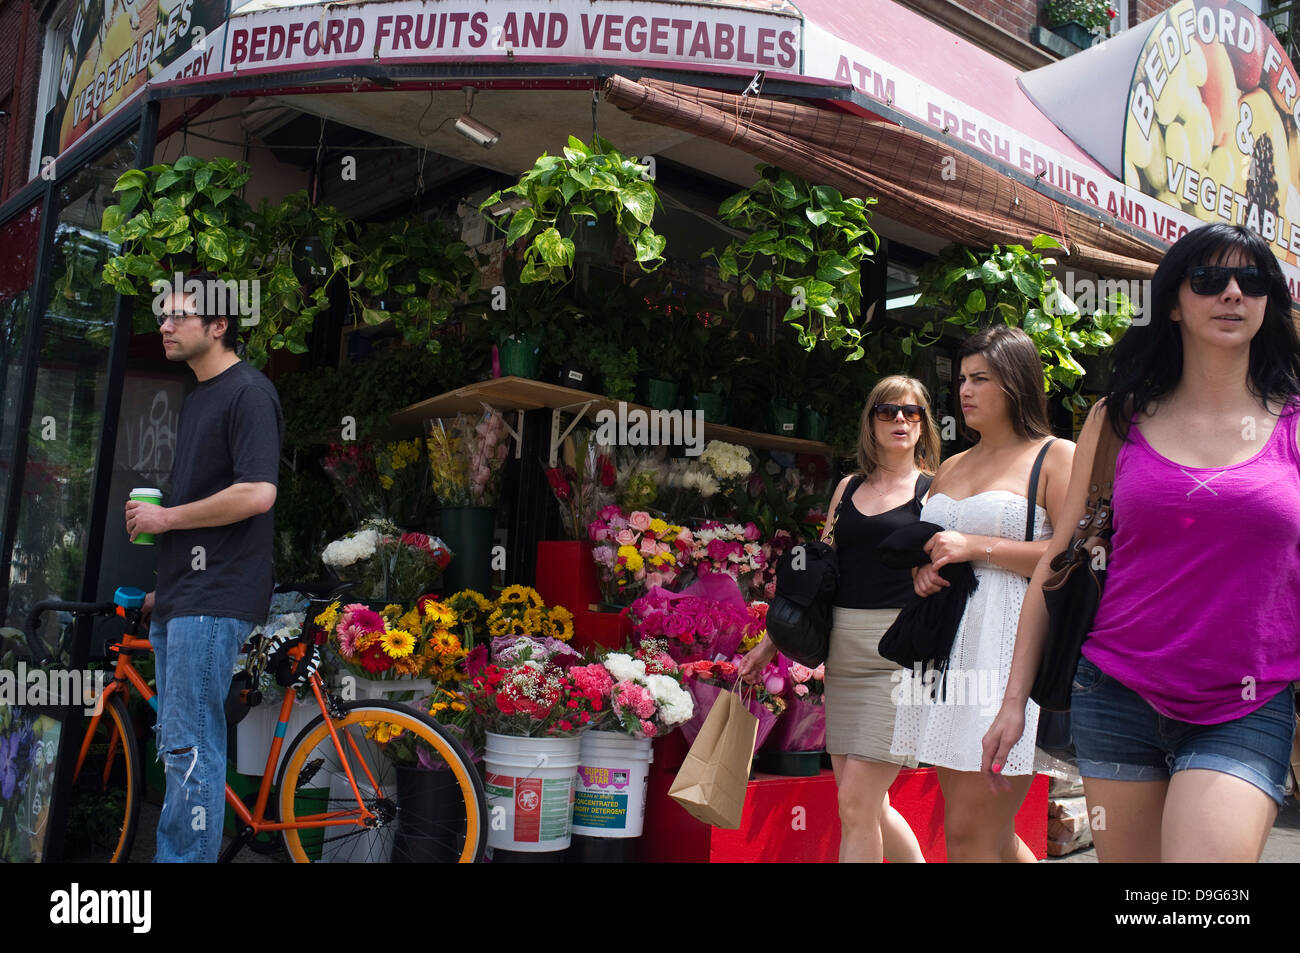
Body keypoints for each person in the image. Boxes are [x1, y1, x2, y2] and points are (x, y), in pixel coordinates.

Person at [983, 224, 1300, 862]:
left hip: (1248, 699)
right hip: (1115, 690)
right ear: (1175, 302)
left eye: (1252, 280)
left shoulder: (1294, 423)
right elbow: (1058, 555)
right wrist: (1013, 702)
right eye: (1209, 279)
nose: (1232, 293)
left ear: (1269, 302)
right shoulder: (1118, 417)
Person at [889, 325, 1074, 862]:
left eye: (980, 379)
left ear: (1016, 383)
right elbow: (935, 552)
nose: (964, 391)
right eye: (961, 379)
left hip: (1010, 649)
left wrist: (977, 546)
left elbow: (1070, 558)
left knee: (971, 832)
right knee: (981, 830)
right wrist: (924, 574)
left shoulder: (1055, 455)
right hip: (946, 651)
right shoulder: (949, 465)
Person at [741, 375, 940, 862]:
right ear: (870, 422)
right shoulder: (848, 488)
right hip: (844, 656)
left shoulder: (936, 491)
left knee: (855, 804)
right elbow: (818, 575)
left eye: (911, 412)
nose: (899, 419)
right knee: (869, 804)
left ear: (924, 424)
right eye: (887, 410)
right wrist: (770, 644)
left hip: (901, 655)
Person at [124, 272, 284, 863]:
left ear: (219, 325)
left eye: (177, 316)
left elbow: (257, 493)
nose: (164, 326)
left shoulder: (248, 392)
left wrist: (165, 521)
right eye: (162, 315)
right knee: (182, 748)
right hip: (186, 597)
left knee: (192, 748)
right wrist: (162, 589)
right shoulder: (198, 398)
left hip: (215, 599)